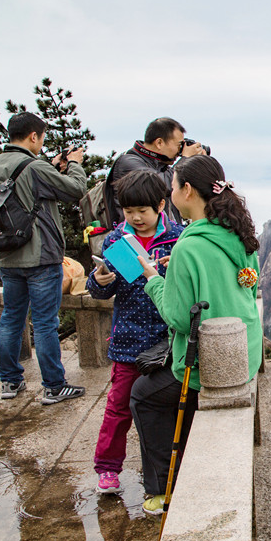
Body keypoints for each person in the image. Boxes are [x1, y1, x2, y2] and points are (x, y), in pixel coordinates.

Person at [130, 155, 262, 515]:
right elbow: (248, 287)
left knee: (143, 396)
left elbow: (177, 317)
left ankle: (162, 487)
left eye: (172, 185)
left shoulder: (189, 245)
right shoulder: (238, 232)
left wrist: (153, 280)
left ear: (187, 190)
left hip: (211, 364)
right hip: (245, 352)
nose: (171, 191)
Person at [86, 170, 184, 495]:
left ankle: (162, 470)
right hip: (128, 340)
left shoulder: (178, 238)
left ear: (160, 204)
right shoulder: (116, 241)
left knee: (162, 408)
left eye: (142, 210)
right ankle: (108, 468)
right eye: (129, 211)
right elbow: (102, 291)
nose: (136, 217)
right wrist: (98, 282)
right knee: (118, 406)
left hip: (166, 340)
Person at [0, 112, 88, 404]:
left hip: (8, 256)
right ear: (34, 136)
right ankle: (54, 386)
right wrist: (75, 165)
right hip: (41, 257)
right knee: (45, 323)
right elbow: (75, 190)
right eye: (41, 137)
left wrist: (54, 167)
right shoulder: (33, 166)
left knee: (11, 319)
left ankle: (9, 382)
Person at [105, 117, 206, 226]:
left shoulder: (162, 167)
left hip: (164, 235)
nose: (180, 151)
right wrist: (186, 158)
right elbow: (159, 185)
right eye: (179, 145)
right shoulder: (128, 162)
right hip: (134, 237)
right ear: (159, 143)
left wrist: (199, 164)